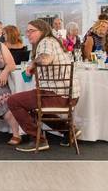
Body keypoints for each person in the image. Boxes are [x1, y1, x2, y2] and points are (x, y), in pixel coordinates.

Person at [8, 19, 82, 152]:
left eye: (32, 31)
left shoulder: (45, 41)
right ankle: (69, 131)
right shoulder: (52, 41)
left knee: (13, 101)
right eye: (27, 31)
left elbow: (46, 59)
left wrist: (33, 64)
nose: (28, 34)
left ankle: (38, 140)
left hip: (57, 96)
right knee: (34, 106)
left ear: (42, 31)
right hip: (69, 96)